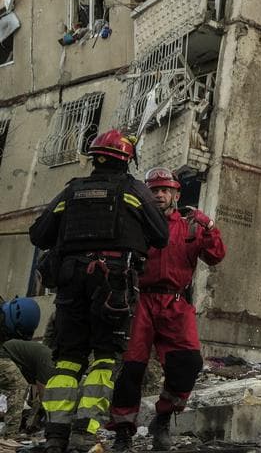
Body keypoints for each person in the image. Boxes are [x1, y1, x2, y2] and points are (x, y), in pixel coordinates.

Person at [28, 130, 169, 453]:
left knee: (67, 360)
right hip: (114, 286)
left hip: (70, 285)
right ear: (127, 160)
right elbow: (161, 235)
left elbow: (40, 235)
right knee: (105, 358)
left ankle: (55, 435)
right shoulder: (134, 191)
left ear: (94, 158)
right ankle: (84, 433)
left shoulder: (70, 192)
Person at [108, 167, 225, 451]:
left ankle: (163, 416)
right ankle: (123, 431)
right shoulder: (136, 223)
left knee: (189, 363)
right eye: (154, 190)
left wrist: (209, 227)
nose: (159, 194)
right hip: (139, 302)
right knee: (130, 369)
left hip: (175, 302)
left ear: (176, 194)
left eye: (165, 190)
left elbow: (216, 256)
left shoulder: (190, 226)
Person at [1, 298, 53, 437]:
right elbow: (44, 395)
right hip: (3, 355)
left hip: (6, 355)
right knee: (18, 386)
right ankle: (9, 436)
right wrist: (55, 424)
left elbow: (36, 396)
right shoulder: (49, 360)